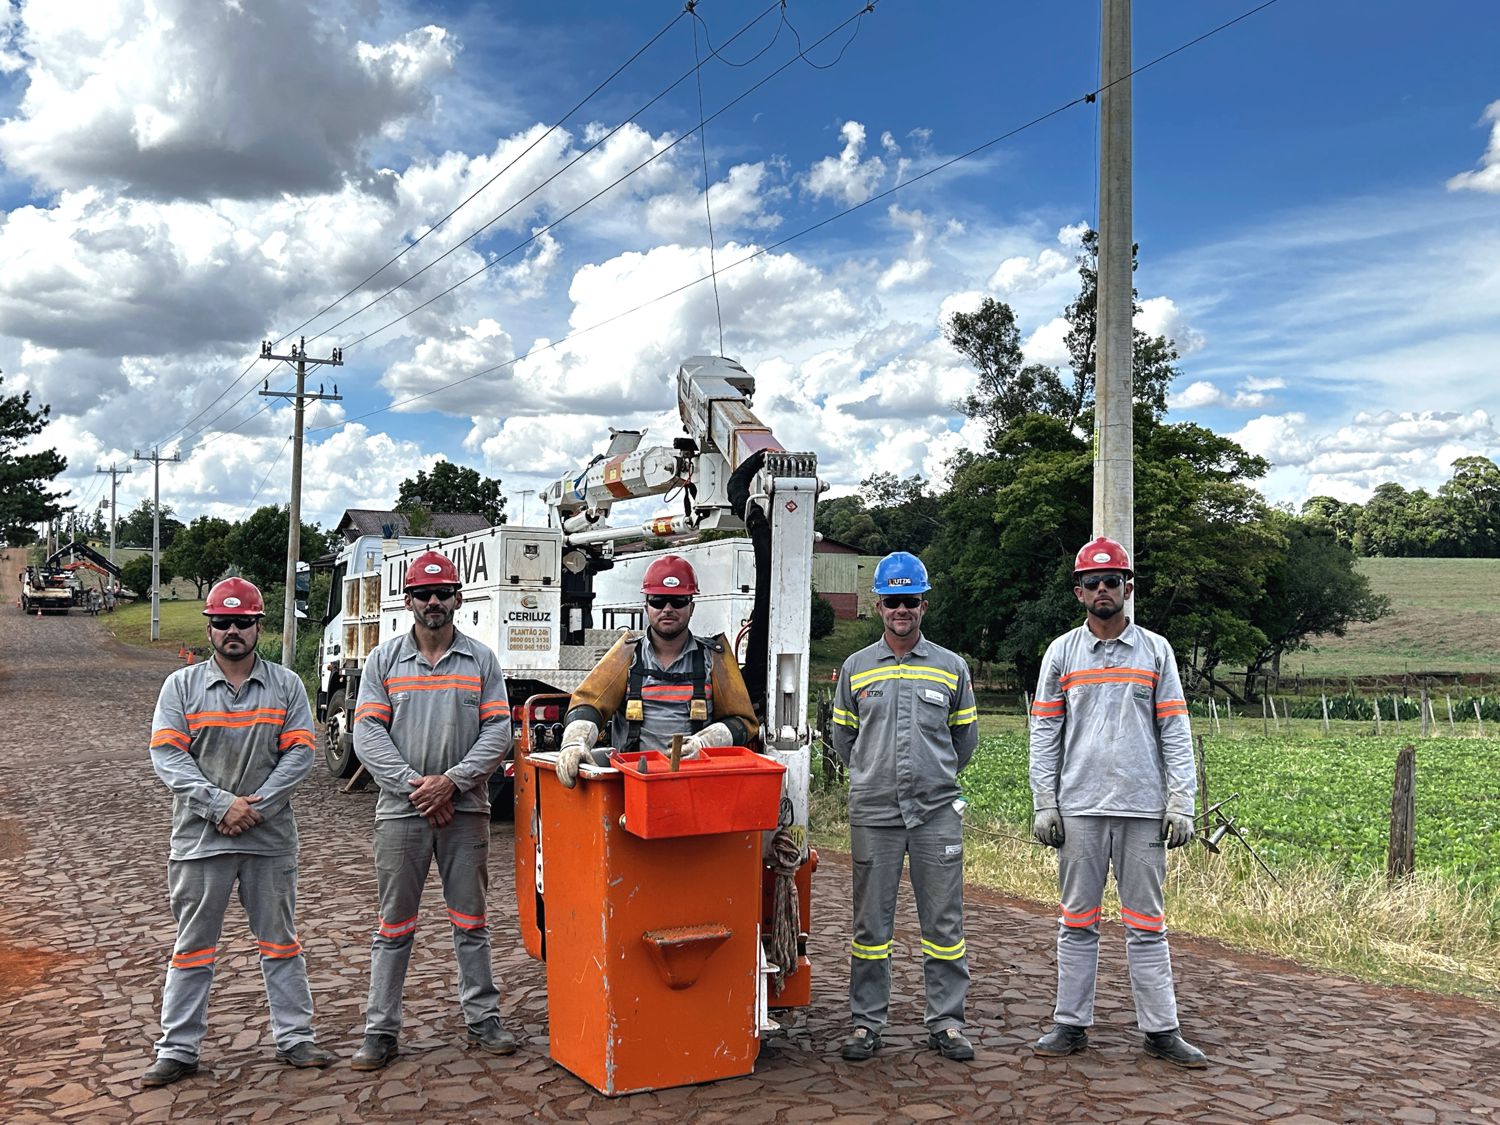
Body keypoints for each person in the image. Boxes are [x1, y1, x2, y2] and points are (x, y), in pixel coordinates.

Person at [142, 577, 332, 1087]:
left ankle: (295, 1037)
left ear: (257, 626)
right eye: (223, 622)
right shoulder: (180, 688)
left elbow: (300, 754)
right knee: (192, 947)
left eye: (242, 622)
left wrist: (256, 808)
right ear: (209, 627)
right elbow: (169, 758)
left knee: (280, 943)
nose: (233, 631)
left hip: (268, 842)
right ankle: (177, 1048)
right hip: (200, 841)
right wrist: (222, 806)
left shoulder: (287, 686)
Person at [1028, 536, 1207, 1068]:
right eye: (1092, 583)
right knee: (1076, 921)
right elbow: (1045, 732)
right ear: (1079, 592)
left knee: (1146, 925)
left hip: (1143, 808)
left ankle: (1160, 1029)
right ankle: (1070, 1023)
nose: (1102, 590)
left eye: (1112, 581)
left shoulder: (1156, 650)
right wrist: (1045, 802)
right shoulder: (1061, 653)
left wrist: (1182, 802)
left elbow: (1175, 728)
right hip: (1079, 808)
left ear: (1128, 587)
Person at [351, 549, 514, 1071]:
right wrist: (414, 788)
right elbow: (366, 733)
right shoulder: (384, 661)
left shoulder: (482, 660)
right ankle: (380, 1031)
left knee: (471, 921)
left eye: (443, 592)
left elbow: (499, 734)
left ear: (458, 599)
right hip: (401, 814)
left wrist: (452, 783)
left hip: (465, 812)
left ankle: (483, 1018)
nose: (434, 602)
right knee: (393, 926)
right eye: (424, 593)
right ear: (409, 601)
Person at [830, 551, 979, 1063]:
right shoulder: (855, 668)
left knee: (944, 924)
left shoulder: (950, 667)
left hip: (936, 812)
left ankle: (947, 1023)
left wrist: (930, 779)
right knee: (871, 927)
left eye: (910, 601)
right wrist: (877, 776)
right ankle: (867, 1024)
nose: (901, 610)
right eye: (892, 601)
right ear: (878, 605)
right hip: (874, 812)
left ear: (924, 605)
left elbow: (965, 739)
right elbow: (844, 740)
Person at [556, 554, 757, 784]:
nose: (668, 609)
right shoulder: (626, 654)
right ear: (646, 606)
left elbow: (744, 721)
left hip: (696, 781)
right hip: (634, 782)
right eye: (658, 601)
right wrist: (575, 741)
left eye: (678, 601)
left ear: (691, 607)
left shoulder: (714, 657)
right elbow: (588, 703)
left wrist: (705, 742)